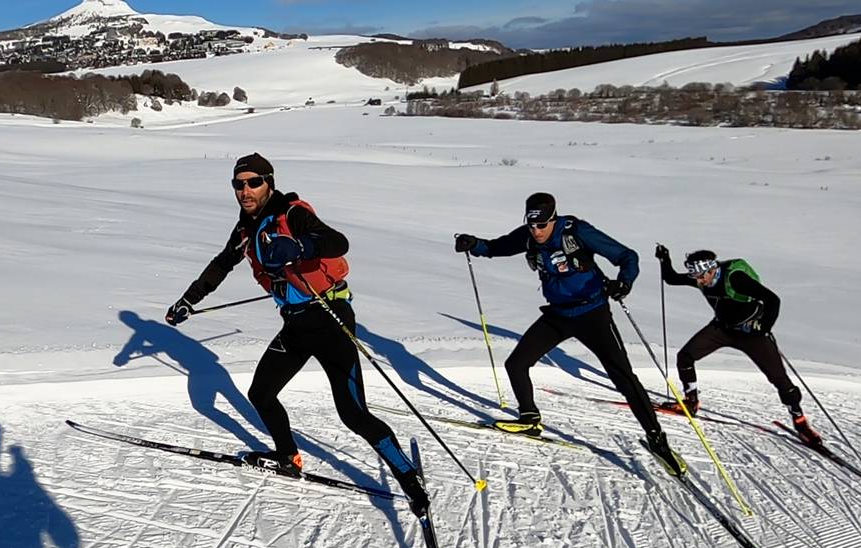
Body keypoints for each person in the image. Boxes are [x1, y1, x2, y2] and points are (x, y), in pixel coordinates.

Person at [165, 153, 429, 513]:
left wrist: (301, 246)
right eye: (238, 184)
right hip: (296, 324)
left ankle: (408, 477)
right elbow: (221, 264)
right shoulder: (245, 228)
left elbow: (337, 242)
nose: (245, 190)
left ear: (268, 182)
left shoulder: (291, 213)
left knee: (352, 414)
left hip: (329, 317)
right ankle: (288, 458)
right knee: (261, 393)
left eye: (253, 182)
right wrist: (188, 300)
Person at [454, 192, 688, 476]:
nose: (536, 231)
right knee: (516, 364)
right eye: (531, 225)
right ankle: (529, 418)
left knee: (623, 377)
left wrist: (624, 284)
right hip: (558, 315)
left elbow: (628, 256)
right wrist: (473, 244)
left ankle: (657, 440)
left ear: (552, 218)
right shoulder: (528, 236)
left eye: (541, 225)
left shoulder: (576, 232)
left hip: (593, 314)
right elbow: (495, 247)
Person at [655, 246, 820, 444]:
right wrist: (664, 259)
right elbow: (672, 279)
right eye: (695, 276)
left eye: (700, 276)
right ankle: (691, 402)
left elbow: (772, 300)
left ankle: (800, 422)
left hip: (750, 334)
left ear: (711, 270)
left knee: (779, 379)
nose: (698, 281)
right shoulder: (702, 275)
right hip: (721, 329)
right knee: (685, 356)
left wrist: (763, 328)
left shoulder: (735, 279)